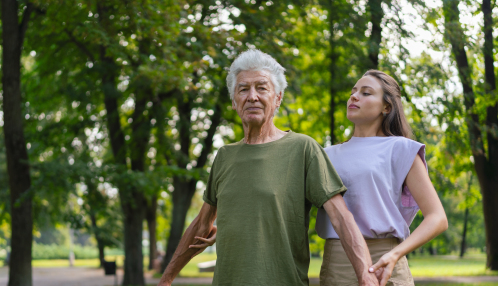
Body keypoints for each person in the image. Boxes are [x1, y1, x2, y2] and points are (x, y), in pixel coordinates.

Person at [158, 49, 379, 286]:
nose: (252, 96)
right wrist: (167, 279)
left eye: (261, 88)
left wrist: (365, 276)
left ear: (278, 98)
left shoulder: (303, 149)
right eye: (243, 89)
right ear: (234, 101)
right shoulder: (224, 156)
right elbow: (201, 226)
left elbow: (340, 217)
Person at [315, 70, 448, 286]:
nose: (354, 97)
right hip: (337, 264)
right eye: (353, 91)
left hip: (386, 263)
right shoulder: (325, 155)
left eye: (366, 93)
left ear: (386, 107)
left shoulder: (401, 149)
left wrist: (395, 254)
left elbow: (437, 218)